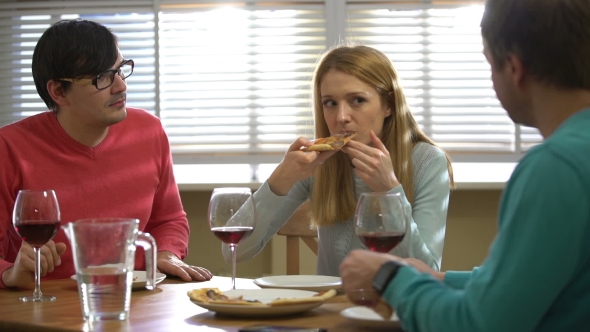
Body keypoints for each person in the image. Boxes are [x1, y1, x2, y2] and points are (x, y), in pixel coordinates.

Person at [339, 0, 590, 331]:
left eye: (490, 64)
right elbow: (524, 286)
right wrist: (441, 278)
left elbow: (476, 324)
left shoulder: (554, 167)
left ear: (515, 69)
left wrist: (389, 276)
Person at [0, 19, 212, 289]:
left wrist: (167, 254)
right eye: (101, 78)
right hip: (46, 308)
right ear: (58, 91)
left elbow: (169, 219)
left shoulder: (149, 130)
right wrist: (10, 273)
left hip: (136, 301)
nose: (121, 86)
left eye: (120, 70)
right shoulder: (9, 146)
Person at [223, 45, 455, 276]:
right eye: (330, 103)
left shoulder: (428, 162)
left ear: (389, 105)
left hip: (396, 310)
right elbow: (234, 251)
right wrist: (279, 179)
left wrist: (390, 191)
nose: (341, 117)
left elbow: (428, 272)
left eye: (357, 100)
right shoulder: (317, 164)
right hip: (330, 309)